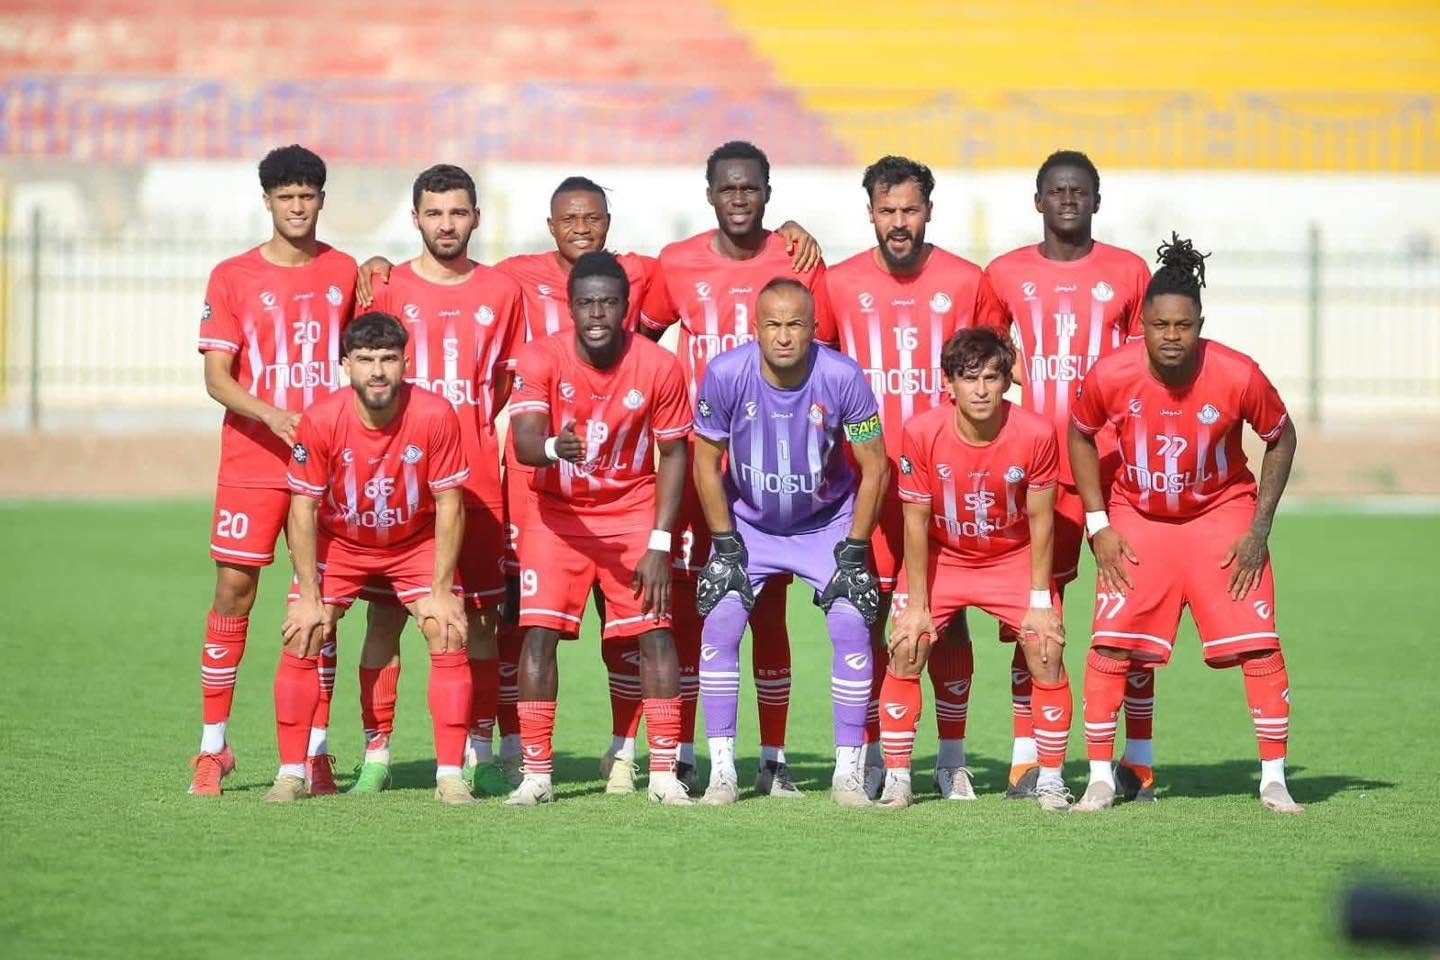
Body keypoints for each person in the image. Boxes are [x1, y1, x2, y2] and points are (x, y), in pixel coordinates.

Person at [355, 175, 818, 793]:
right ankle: (512, 756)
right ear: (551, 228)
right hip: (540, 493)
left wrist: (784, 233)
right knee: (516, 622)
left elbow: (720, 255)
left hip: (632, 495)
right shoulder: (511, 280)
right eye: (569, 219)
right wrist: (378, 266)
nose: (581, 228)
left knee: (645, 627)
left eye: (592, 218)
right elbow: (452, 279)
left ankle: (631, 754)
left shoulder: (649, 278)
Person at [1067, 234, 1301, 815]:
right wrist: (1098, 523)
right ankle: (1099, 779)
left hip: (1220, 516)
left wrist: (1259, 529)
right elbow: (1079, 432)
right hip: (1139, 518)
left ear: (1200, 325)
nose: (1171, 336)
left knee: (1259, 646)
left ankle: (1274, 779)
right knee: (1111, 646)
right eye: (1160, 325)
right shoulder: (1112, 373)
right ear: (1142, 325)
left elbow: (1281, 436)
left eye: (1184, 326)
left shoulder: (1238, 374)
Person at [641, 140, 835, 798]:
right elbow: (641, 342)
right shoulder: (675, 263)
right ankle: (686, 753)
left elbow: (826, 354)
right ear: (709, 195)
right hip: (699, 468)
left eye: (750, 188)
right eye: (727, 188)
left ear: (768, 194)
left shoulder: (797, 259)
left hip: (771, 472)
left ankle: (773, 760)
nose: (739, 199)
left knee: (769, 614)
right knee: (694, 612)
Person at [826, 155, 1010, 800]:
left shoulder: (966, 281)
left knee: (947, 618)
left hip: (947, 487)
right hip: (867, 487)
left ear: (928, 210)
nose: (899, 222)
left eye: (910, 209)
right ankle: (877, 753)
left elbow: (990, 373)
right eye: (887, 211)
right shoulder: (838, 282)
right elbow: (821, 374)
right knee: (870, 615)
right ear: (870, 213)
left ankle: (952, 758)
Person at [347, 164, 526, 798]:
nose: (446, 224)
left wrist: (467, 430)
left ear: (476, 217)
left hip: (475, 482)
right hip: (398, 482)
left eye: (457, 212)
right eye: (434, 213)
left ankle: (479, 749)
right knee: (384, 620)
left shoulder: (503, 291)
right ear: (415, 218)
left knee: (479, 621)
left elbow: (502, 385)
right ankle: (376, 753)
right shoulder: (388, 286)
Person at [984, 149, 1156, 800]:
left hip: (1115, 468)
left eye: (1078, 191)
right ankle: (1027, 755)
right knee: (1036, 615)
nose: (1067, 199)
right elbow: (985, 360)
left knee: (1129, 612)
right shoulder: (1004, 274)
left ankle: (1138, 758)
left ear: (1096, 200)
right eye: (1056, 190)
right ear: (1038, 201)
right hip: (1037, 472)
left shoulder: (1129, 272)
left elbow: (1149, 364)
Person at [189, 144, 356, 797]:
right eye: (286, 197)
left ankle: (316, 750)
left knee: (321, 601)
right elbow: (216, 378)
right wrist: (273, 415)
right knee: (235, 591)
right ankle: (213, 747)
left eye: (307, 196)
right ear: (267, 201)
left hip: (327, 467)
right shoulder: (232, 276)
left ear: (321, 200)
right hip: (252, 460)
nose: (297, 207)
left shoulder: (344, 271)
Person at [504, 251, 693, 807]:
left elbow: (674, 454)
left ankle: (664, 774)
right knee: (538, 634)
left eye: (608, 303)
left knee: (656, 632)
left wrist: (660, 542)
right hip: (557, 517)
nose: (596, 314)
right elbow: (523, 442)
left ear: (626, 308)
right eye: (586, 303)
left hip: (632, 512)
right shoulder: (541, 356)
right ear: (570, 307)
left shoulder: (659, 365)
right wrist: (551, 447)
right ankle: (537, 775)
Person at [692, 278, 889, 808]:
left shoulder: (842, 376)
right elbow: (705, 463)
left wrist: (855, 546)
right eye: (773, 325)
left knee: (852, 623)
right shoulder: (725, 374)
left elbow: (875, 465)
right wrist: (724, 542)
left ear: (814, 328)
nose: (784, 336)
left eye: (795, 324)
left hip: (826, 524)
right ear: (755, 329)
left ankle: (848, 773)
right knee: (720, 622)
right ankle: (722, 772)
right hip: (749, 526)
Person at [269, 311, 476, 805]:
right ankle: (291, 774)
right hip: (341, 543)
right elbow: (302, 508)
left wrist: (442, 590)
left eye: (387, 358)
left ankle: (450, 775)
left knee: (447, 627)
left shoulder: (435, 414)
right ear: (347, 365)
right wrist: (309, 595)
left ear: (406, 362)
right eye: (365, 360)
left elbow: (450, 504)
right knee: (304, 630)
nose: (377, 371)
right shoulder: (322, 418)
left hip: (413, 542)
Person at [881, 328, 1073, 811]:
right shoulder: (921, 431)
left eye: (992, 377)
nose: (982, 389)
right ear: (948, 383)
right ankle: (899, 778)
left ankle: (1051, 780)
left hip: (1011, 558)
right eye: (969, 378)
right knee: (907, 645)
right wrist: (917, 606)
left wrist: (1039, 603)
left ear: (1008, 381)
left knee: (1046, 648)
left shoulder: (1037, 432)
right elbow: (915, 521)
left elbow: (1042, 520)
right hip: (944, 556)